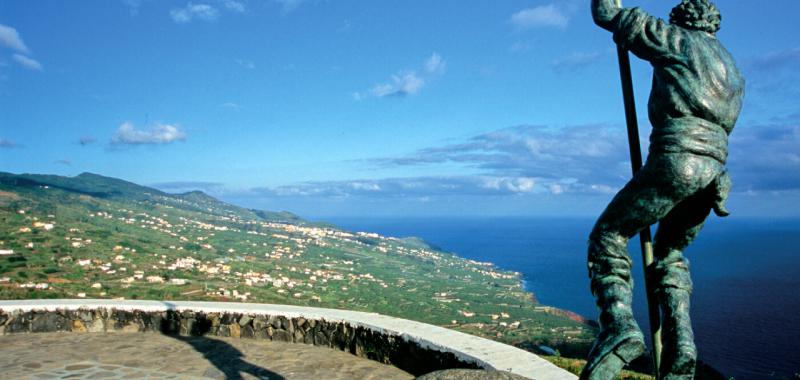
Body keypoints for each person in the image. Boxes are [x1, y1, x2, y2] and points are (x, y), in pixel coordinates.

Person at [583, 0, 744, 379]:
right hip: (715, 176)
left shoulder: (678, 41)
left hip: (677, 160)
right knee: (670, 252)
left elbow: (607, 13)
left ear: (681, 19)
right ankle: (682, 344)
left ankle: (618, 326)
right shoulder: (733, 69)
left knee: (608, 235)